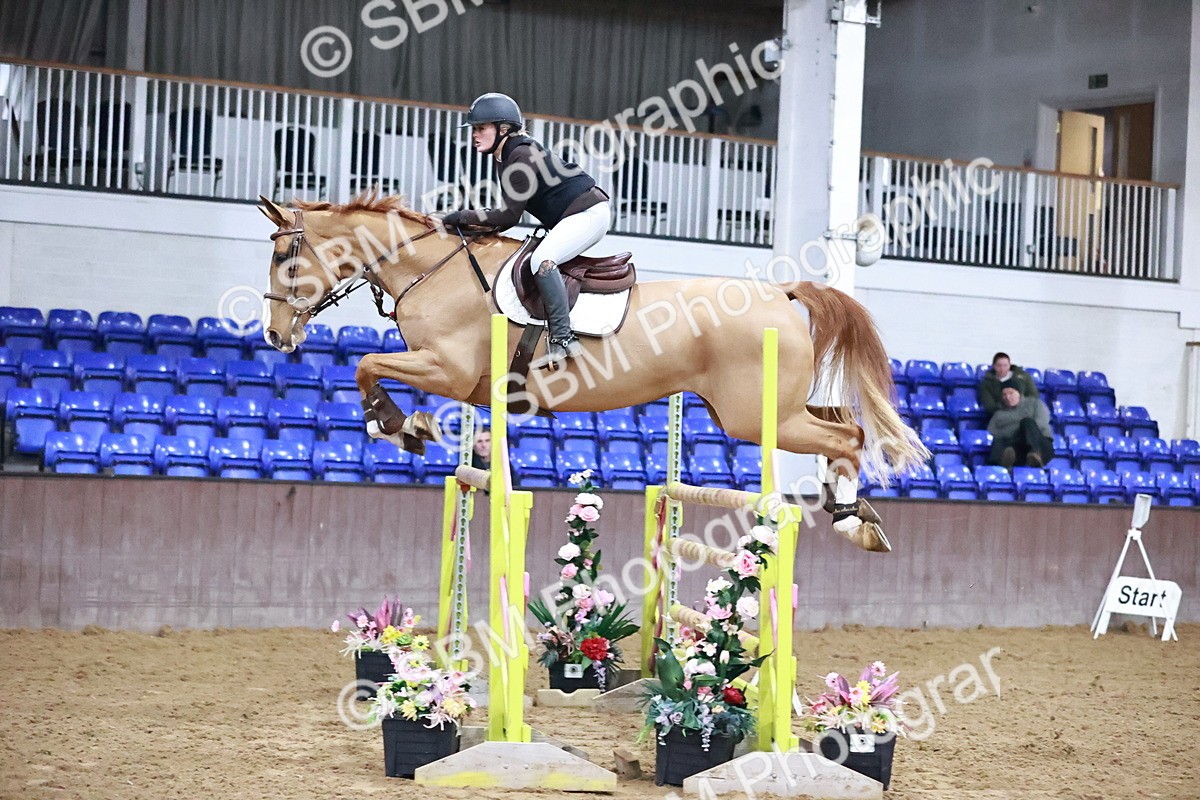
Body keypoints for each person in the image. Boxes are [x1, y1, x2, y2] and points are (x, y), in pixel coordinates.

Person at [441, 93, 611, 370]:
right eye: (474, 129)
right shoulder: (506, 155)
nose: (474, 134)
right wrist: (470, 224)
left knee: (541, 262)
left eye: (481, 128)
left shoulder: (519, 155)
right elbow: (507, 217)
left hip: (588, 214)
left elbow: (509, 215)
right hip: (574, 215)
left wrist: (463, 216)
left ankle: (563, 338)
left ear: (503, 129)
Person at [987, 386, 1054, 469]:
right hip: (1018, 446)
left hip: (1041, 446)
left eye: (1011, 393)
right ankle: (999, 467)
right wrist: (1017, 432)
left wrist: (1017, 430)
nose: (1007, 397)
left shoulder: (1035, 404)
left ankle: (1035, 454)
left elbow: (1041, 423)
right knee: (999, 441)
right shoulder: (998, 414)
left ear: (1019, 393)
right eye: (1004, 394)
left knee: (1027, 422)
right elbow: (991, 432)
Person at [978, 352, 1039, 419]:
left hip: (1024, 415)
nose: (1002, 369)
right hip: (1001, 418)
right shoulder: (986, 383)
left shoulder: (1024, 377)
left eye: (1005, 365)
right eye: (999, 366)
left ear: (1009, 365)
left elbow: (1033, 396)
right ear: (994, 366)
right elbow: (989, 407)